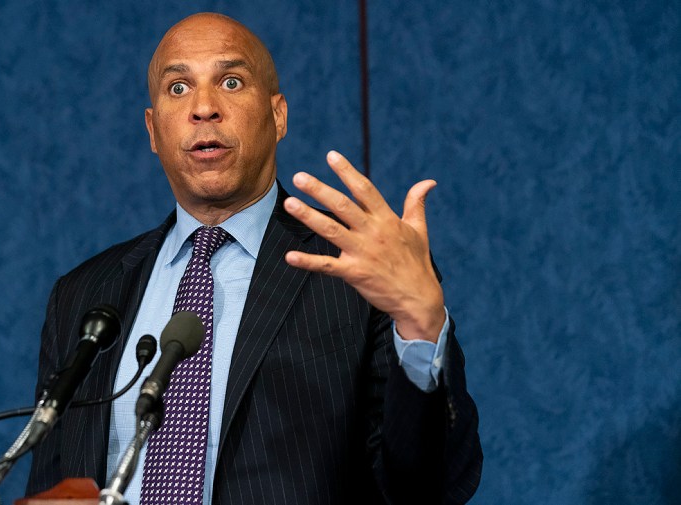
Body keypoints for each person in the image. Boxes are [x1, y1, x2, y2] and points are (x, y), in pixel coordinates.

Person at [27, 12, 481, 505]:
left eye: (230, 81)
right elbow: (49, 485)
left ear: (278, 115)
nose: (203, 107)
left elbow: (425, 487)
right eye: (178, 88)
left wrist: (420, 330)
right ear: (153, 129)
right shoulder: (82, 296)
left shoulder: (357, 273)